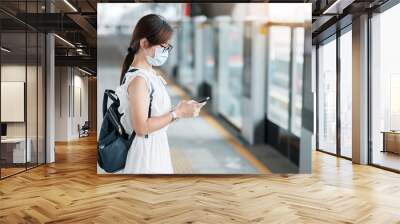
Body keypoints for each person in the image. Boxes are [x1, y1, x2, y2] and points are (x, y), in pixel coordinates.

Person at [116, 14, 205, 174]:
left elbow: (154, 117)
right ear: (144, 43)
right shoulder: (139, 80)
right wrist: (177, 113)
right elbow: (142, 127)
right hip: (146, 155)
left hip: (155, 149)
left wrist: (181, 111)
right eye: (163, 46)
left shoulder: (149, 74)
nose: (166, 51)